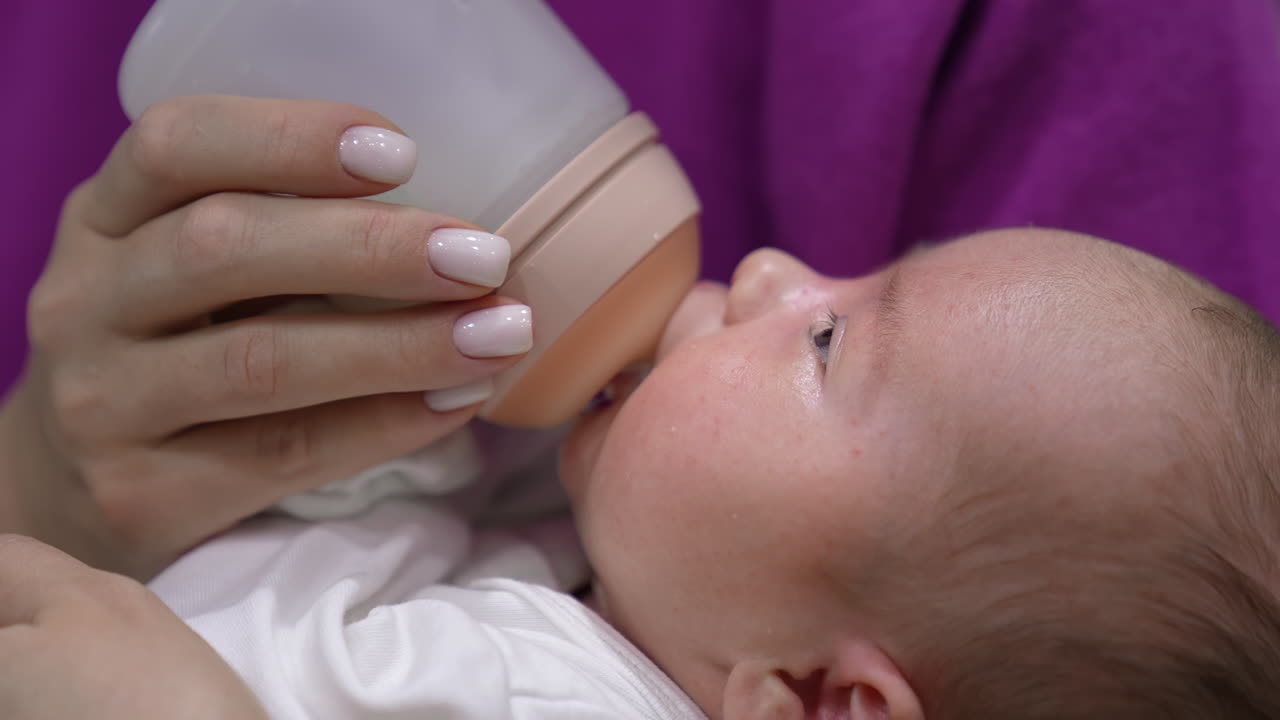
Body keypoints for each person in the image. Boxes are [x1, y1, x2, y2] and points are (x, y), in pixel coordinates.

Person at [137, 229, 1280, 718]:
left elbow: (215, 635)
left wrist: (417, 404)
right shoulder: (620, 580)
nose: (771, 271)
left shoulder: (536, 703)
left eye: (827, 341)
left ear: (826, 704)